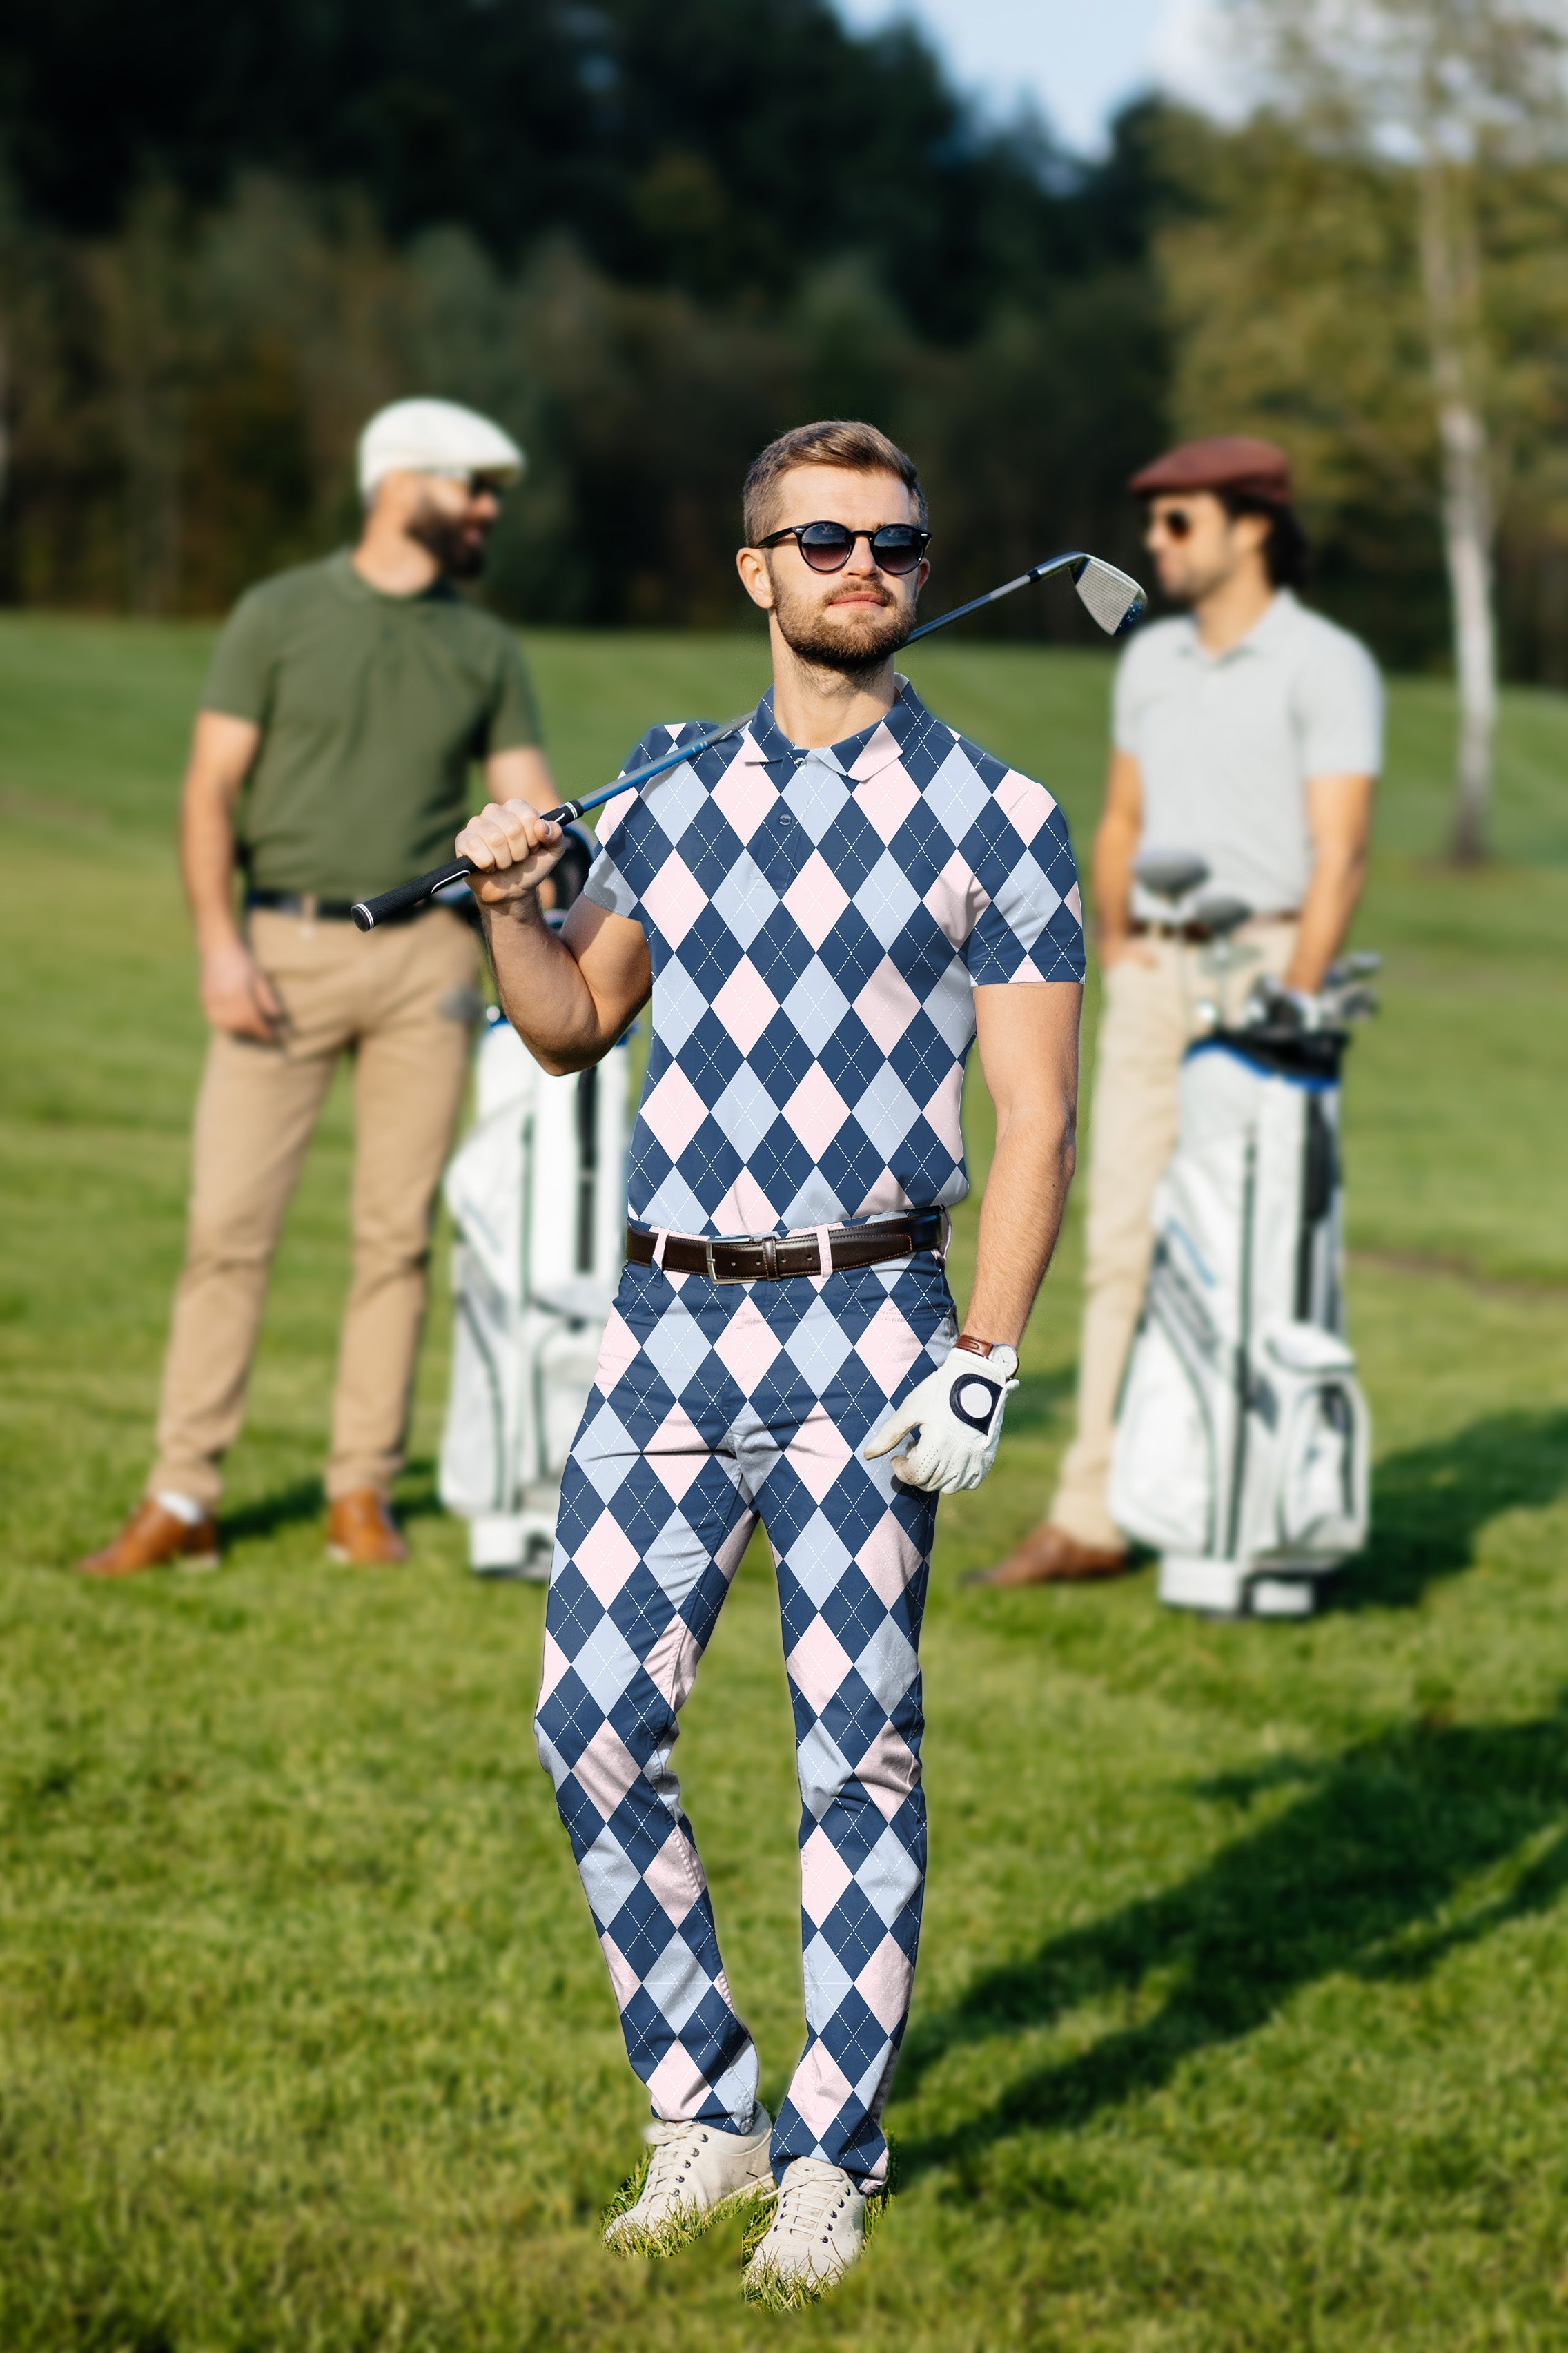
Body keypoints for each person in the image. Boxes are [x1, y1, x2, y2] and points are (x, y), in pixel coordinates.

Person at [453, 420, 1083, 2300]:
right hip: (663, 1327)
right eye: (823, 540)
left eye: (893, 539)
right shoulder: (664, 795)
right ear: (759, 575)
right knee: (592, 1726)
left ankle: (832, 2154)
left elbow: (1036, 1117)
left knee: (856, 1757)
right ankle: (703, 2104)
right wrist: (507, 898)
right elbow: (571, 1025)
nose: (863, 565)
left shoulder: (1003, 815)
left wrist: (987, 1349)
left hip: (870, 1323)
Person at [77, 398, 558, 1577]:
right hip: (278, 950)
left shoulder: (484, 645)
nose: (490, 508)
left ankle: (360, 1496)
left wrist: (552, 890)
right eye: (472, 486)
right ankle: (183, 1493)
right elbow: (209, 792)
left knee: (394, 1238)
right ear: (400, 484)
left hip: (430, 967)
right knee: (226, 1230)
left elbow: (534, 801)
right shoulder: (277, 615)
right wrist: (217, 947)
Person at [979, 434, 1382, 1589]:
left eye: (1179, 522)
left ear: (1253, 525)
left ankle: (1245, 1510)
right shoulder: (1149, 660)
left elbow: (1342, 854)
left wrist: (1293, 1004)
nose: (1155, 544)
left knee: (1250, 1251)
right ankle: (1094, 1511)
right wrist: (1120, 944)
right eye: (1150, 523)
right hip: (1153, 974)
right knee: (1117, 1246)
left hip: (1265, 972)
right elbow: (1120, 821)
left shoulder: (1326, 662)